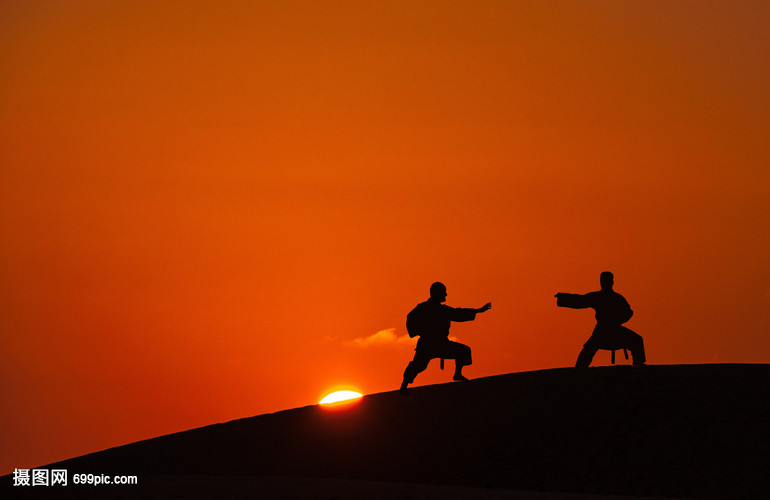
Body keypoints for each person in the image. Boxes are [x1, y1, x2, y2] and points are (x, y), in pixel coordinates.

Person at [400, 282, 491, 394]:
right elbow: (410, 318)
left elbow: (458, 313)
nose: (446, 295)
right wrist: (418, 331)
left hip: (441, 344)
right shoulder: (424, 308)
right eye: (444, 292)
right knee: (418, 365)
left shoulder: (442, 310)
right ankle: (404, 385)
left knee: (463, 351)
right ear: (437, 293)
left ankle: (457, 374)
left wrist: (477, 311)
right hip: (427, 344)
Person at [555, 271, 646, 368]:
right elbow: (580, 301)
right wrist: (563, 298)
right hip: (602, 331)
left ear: (612, 282)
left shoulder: (617, 298)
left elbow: (628, 312)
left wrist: (619, 320)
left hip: (614, 330)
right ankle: (579, 370)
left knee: (637, 340)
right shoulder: (600, 297)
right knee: (588, 349)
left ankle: (638, 367)